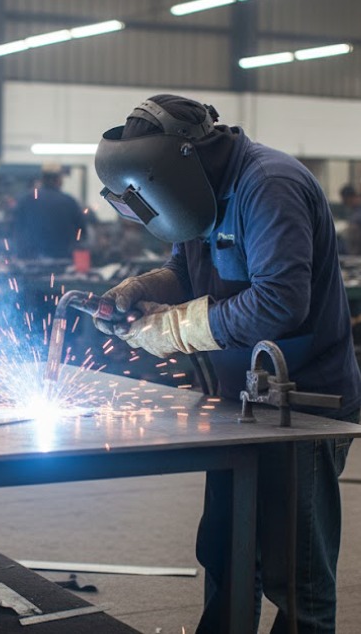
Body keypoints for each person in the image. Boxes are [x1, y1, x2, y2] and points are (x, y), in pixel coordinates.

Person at [92, 94, 361, 633]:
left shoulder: (269, 184)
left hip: (299, 409)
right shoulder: (196, 192)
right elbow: (186, 271)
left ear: (184, 157)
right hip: (236, 406)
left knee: (295, 574)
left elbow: (281, 302)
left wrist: (173, 330)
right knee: (227, 552)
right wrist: (139, 289)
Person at [11, 162, 86, 259]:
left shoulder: (26, 200)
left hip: (31, 262)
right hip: (62, 261)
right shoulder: (69, 201)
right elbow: (81, 232)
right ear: (59, 179)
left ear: (42, 179)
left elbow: (15, 229)